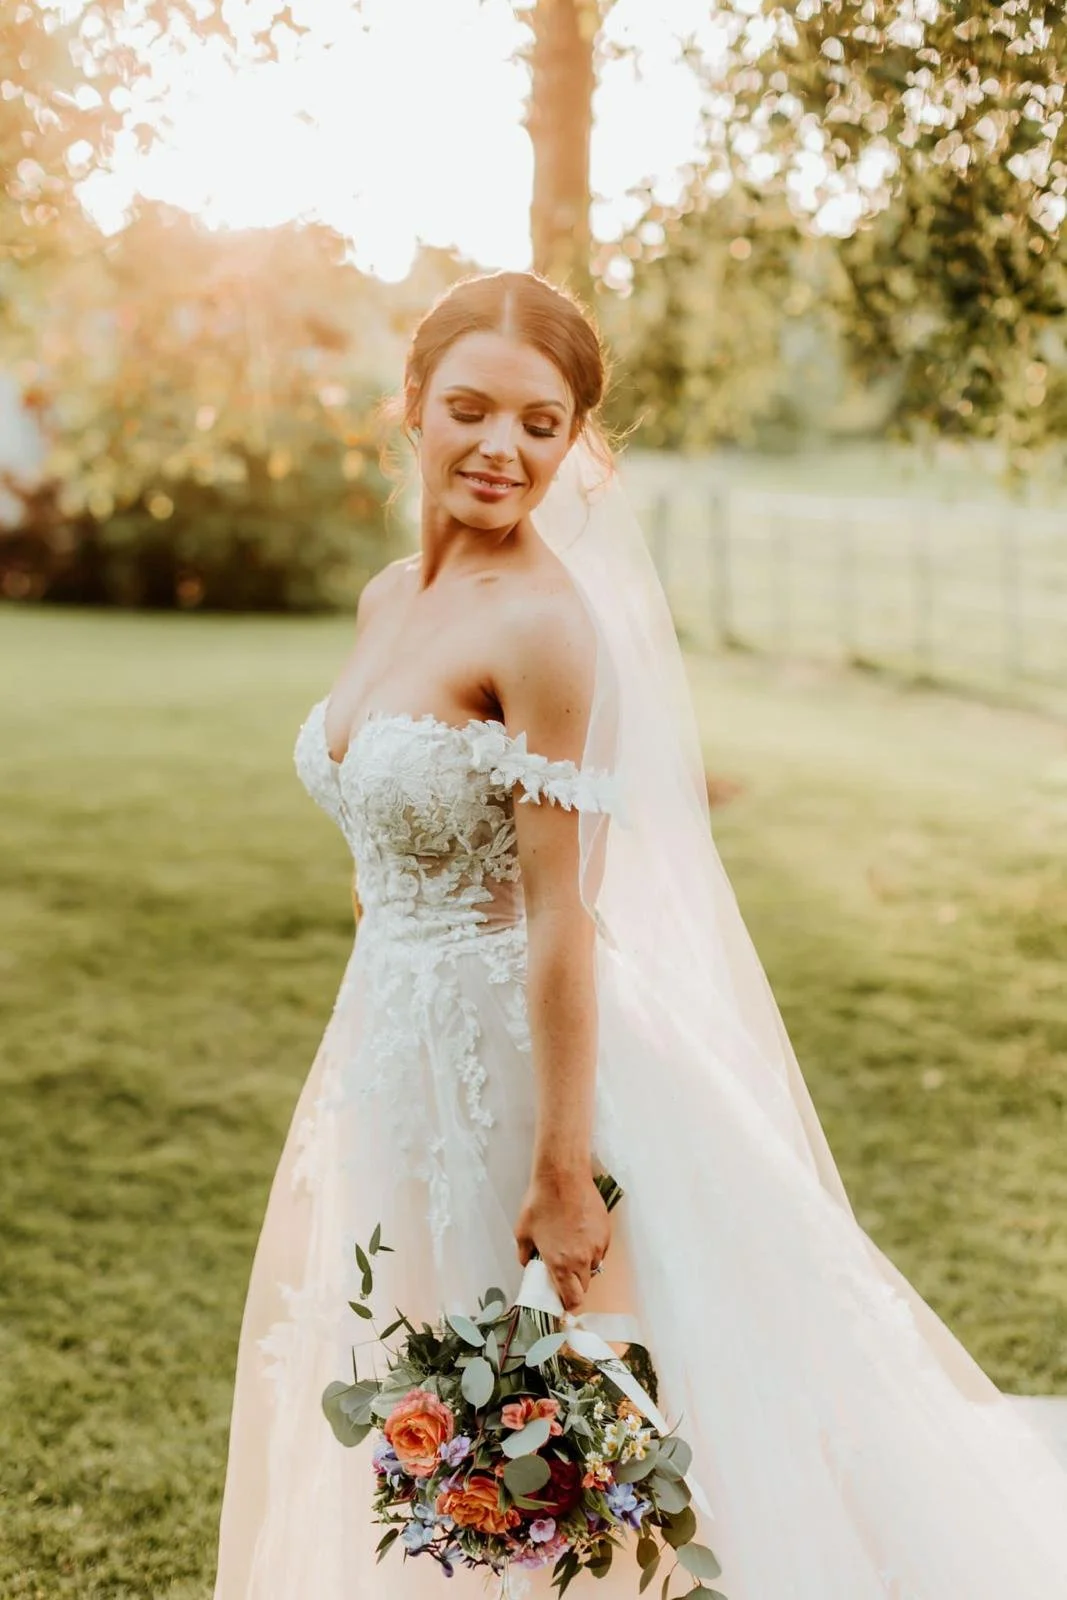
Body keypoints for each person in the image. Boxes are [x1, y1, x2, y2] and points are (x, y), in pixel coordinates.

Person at [213, 270, 1067, 1599]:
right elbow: (391, 848)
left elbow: (564, 909)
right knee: (421, 1378)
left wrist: (561, 1171)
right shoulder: (393, 597)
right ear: (412, 409)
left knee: (570, 1417)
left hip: (529, 1065)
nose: (503, 447)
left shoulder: (548, 627)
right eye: (472, 409)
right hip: (393, 1041)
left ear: (575, 444)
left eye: (541, 424)